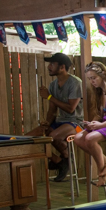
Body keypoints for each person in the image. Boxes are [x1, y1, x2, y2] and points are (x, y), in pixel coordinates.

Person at [38, 53, 84, 182]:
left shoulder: (75, 82)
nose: (49, 67)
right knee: (39, 137)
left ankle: (62, 160)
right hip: (61, 122)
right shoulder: (53, 85)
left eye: (52, 64)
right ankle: (62, 159)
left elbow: (71, 108)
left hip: (78, 123)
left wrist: (48, 96)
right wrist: (47, 123)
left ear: (62, 67)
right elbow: (52, 109)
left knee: (51, 138)